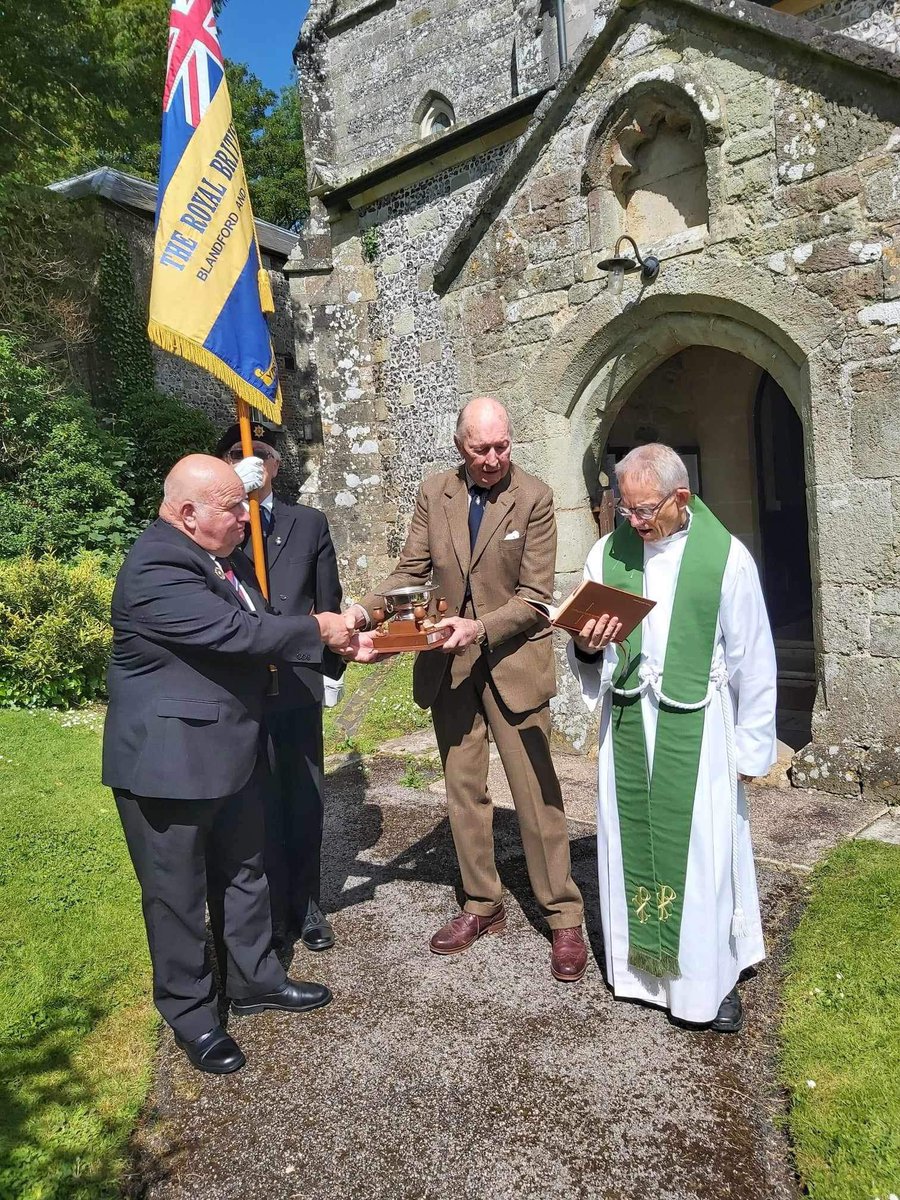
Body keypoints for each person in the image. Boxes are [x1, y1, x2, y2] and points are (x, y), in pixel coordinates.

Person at [102, 454, 375, 1075]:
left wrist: (344, 646)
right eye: (231, 507)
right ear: (188, 512)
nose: (243, 517)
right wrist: (322, 628)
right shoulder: (156, 566)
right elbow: (237, 635)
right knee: (176, 898)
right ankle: (193, 1017)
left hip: (231, 750)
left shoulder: (219, 561)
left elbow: (263, 624)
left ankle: (255, 981)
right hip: (168, 767)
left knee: (245, 872)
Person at [351, 397, 587, 981]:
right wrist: (364, 610)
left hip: (512, 662)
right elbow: (410, 574)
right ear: (460, 446)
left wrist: (480, 627)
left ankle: (563, 916)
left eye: (502, 446)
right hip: (448, 667)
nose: (493, 458)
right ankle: (482, 903)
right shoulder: (436, 493)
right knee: (463, 791)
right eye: (481, 448)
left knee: (536, 795)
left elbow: (535, 599)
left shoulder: (533, 497)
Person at [567, 443, 777, 1032]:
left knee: (706, 853)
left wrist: (753, 746)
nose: (633, 522)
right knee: (628, 840)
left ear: (680, 498)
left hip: (699, 727)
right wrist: (586, 643)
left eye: (644, 510)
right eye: (624, 508)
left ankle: (715, 981)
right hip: (631, 721)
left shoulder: (725, 558)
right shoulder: (607, 554)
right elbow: (586, 648)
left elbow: (753, 658)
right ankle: (642, 977)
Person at [217, 422, 343, 953]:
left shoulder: (307, 523)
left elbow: (329, 600)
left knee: (303, 797)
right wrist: (234, 503)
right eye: (237, 453)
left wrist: (332, 669)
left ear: (277, 465)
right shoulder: (220, 530)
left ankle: (306, 903)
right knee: (251, 803)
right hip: (238, 688)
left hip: (295, 682)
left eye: (261, 452)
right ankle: (262, 913)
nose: (252, 460)